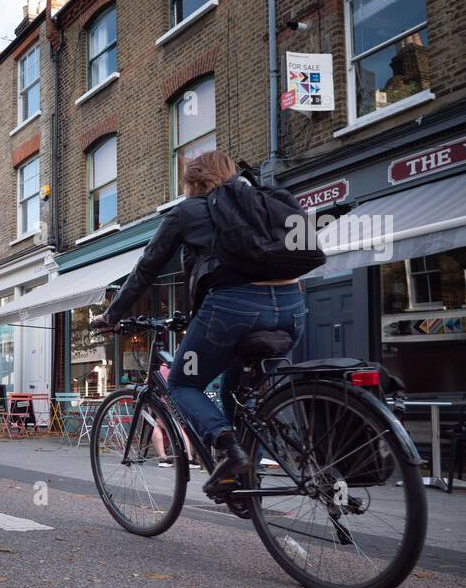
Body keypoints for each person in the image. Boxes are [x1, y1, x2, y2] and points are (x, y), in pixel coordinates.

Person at [91, 150, 306, 497]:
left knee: (181, 383)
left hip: (234, 308)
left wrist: (112, 315)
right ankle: (244, 478)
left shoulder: (188, 212)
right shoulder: (261, 201)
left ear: (192, 181)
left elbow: (147, 267)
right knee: (238, 394)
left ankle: (228, 447)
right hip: (293, 307)